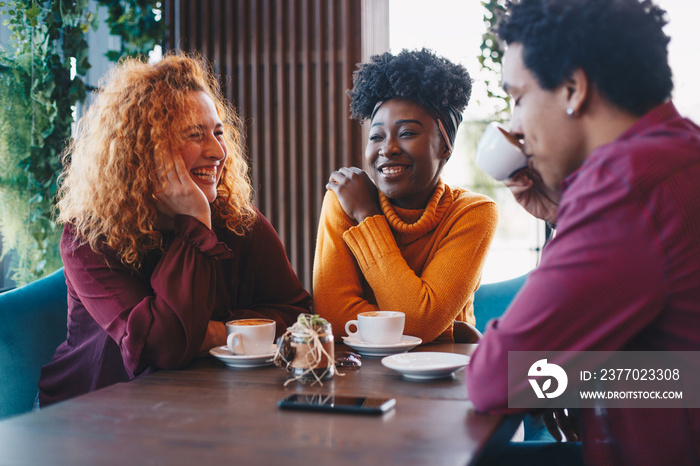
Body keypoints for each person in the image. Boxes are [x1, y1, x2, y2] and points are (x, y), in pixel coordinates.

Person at [464, 0, 700, 464]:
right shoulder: (680, 150)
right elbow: (681, 375)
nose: (513, 127)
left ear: (573, 88)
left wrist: (567, 376)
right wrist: (563, 216)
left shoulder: (624, 187)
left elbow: (492, 378)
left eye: (517, 97)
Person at [38, 54, 311, 407]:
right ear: (144, 149)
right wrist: (195, 222)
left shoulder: (238, 220)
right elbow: (160, 348)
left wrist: (219, 331)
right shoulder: (88, 237)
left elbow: (299, 315)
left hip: (199, 401)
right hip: (89, 410)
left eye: (218, 133)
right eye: (195, 135)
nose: (217, 152)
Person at [313, 48, 498, 343]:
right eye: (376, 136)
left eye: (408, 133)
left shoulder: (472, 212)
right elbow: (334, 319)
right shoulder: (343, 201)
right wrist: (439, 328)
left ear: (445, 148)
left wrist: (368, 216)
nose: (387, 148)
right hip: (362, 377)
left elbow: (419, 321)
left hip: (445, 377)